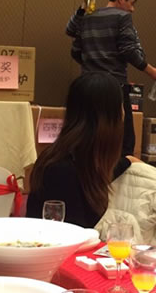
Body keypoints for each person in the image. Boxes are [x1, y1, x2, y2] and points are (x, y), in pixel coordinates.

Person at [65, 0, 156, 156]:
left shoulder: (87, 16)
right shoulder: (122, 17)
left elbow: (74, 47)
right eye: (131, 3)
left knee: (87, 137)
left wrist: (92, 63)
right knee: (124, 142)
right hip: (114, 86)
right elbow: (129, 51)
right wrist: (151, 71)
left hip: (86, 86)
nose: (132, 9)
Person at [27, 71, 134, 228]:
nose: (124, 113)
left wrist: (129, 161)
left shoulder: (82, 159)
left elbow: (103, 167)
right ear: (109, 117)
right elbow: (71, 235)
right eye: (121, 106)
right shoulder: (61, 171)